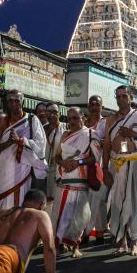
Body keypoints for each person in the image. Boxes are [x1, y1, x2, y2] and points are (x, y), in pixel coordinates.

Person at [103, 85, 137, 256]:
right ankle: (121, 242)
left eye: (124, 96)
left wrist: (133, 134)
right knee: (116, 202)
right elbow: (107, 146)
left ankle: (134, 242)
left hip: (134, 163)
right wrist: (104, 168)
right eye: (118, 96)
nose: (121, 99)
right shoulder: (110, 119)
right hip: (116, 165)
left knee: (133, 201)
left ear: (130, 98)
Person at [52, 107, 99, 258]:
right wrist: (64, 163)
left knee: (81, 215)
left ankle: (75, 246)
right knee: (62, 215)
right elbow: (57, 157)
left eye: (75, 118)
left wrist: (78, 162)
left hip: (80, 180)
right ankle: (59, 244)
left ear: (83, 118)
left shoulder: (91, 134)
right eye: (69, 118)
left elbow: (95, 157)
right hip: (64, 178)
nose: (71, 121)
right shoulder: (65, 135)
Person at [0, 90, 47, 211]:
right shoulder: (2, 121)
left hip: (23, 170)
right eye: (10, 101)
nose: (13, 104)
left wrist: (21, 141)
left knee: (21, 205)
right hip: (5, 171)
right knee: (2, 206)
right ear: (7, 103)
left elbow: (41, 146)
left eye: (16, 100)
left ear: (23, 101)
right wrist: (8, 143)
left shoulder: (32, 120)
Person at [83, 95, 109, 244]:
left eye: (97, 104)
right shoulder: (83, 123)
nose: (94, 107)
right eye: (91, 104)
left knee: (99, 201)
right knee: (85, 200)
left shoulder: (106, 123)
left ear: (102, 107)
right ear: (88, 106)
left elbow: (111, 142)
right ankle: (85, 231)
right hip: (85, 165)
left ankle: (98, 232)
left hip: (101, 165)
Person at [44, 103, 66, 203]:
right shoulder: (42, 128)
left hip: (59, 170)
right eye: (49, 112)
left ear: (60, 114)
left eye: (55, 112)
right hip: (43, 171)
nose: (52, 115)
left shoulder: (66, 129)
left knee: (57, 201)